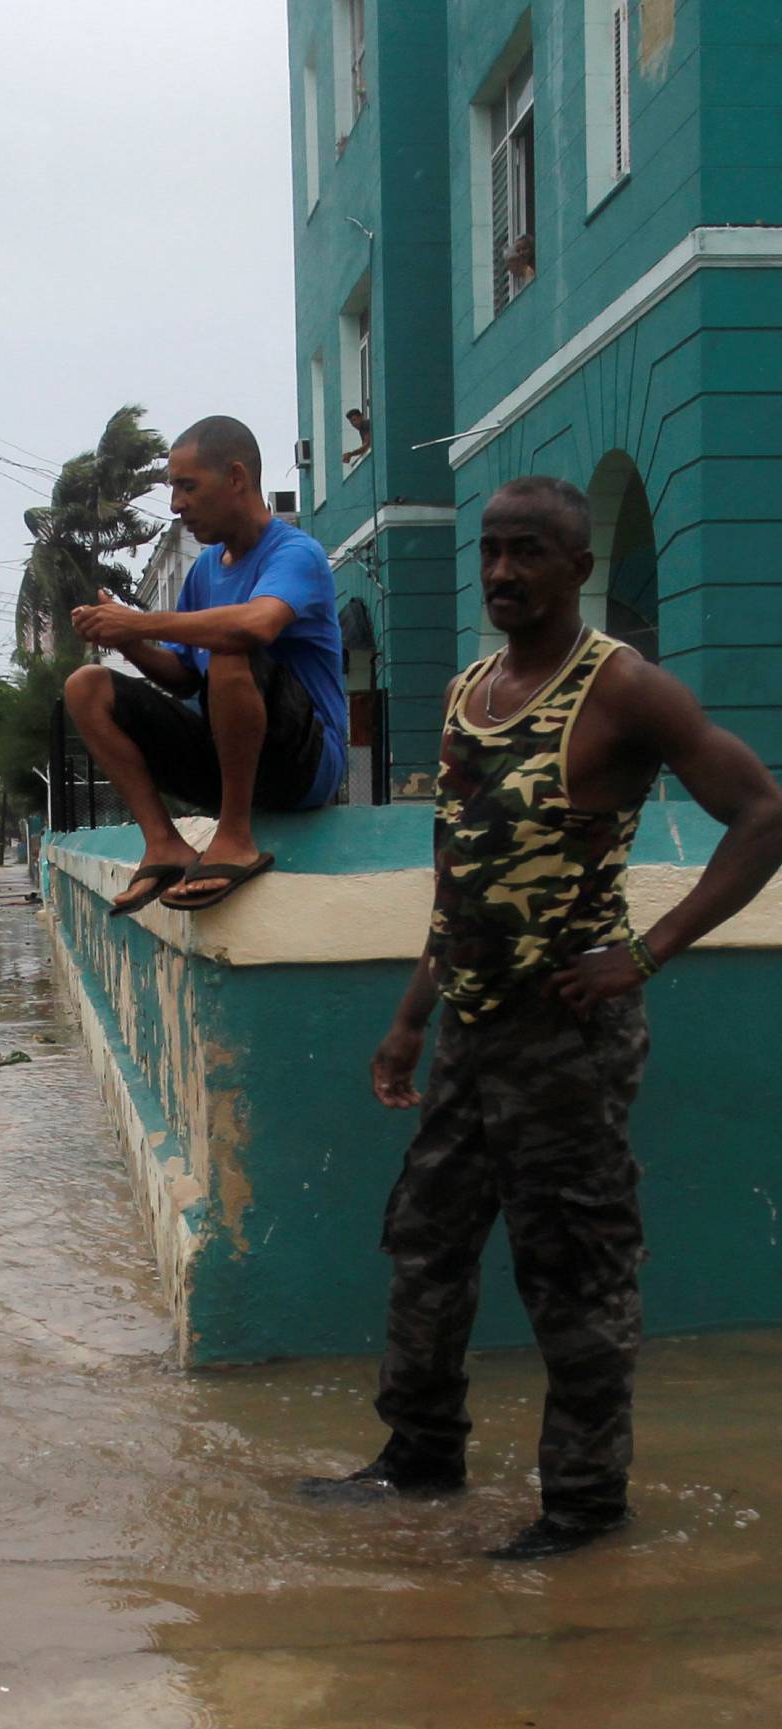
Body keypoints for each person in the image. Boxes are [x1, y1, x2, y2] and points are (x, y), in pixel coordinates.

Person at [302, 475, 782, 1558]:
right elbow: (462, 874)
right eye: (491, 551)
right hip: (470, 1027)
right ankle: (418, 1460)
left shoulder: (624, 690)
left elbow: (763, 816)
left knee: (575, 1266)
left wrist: (647, 953)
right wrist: (411, 1016)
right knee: (424, 1242)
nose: (504, 572)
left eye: (529, 552)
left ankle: (583, 1505)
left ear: (577, 567)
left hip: (568, 1031)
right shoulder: (469, 689)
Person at [64, 415, 348, 914]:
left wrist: (140, 624)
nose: (176, 504)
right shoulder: (203, 572)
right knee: (87, 686)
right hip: (229, 758)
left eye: (187, 487)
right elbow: (186, 677)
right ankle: (164, 843)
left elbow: (252, 628)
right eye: (175, 488)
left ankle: (235, 837)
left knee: (230, 645)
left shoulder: (296, 553)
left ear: (237, 478)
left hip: (303, 765)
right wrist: (125, 640)